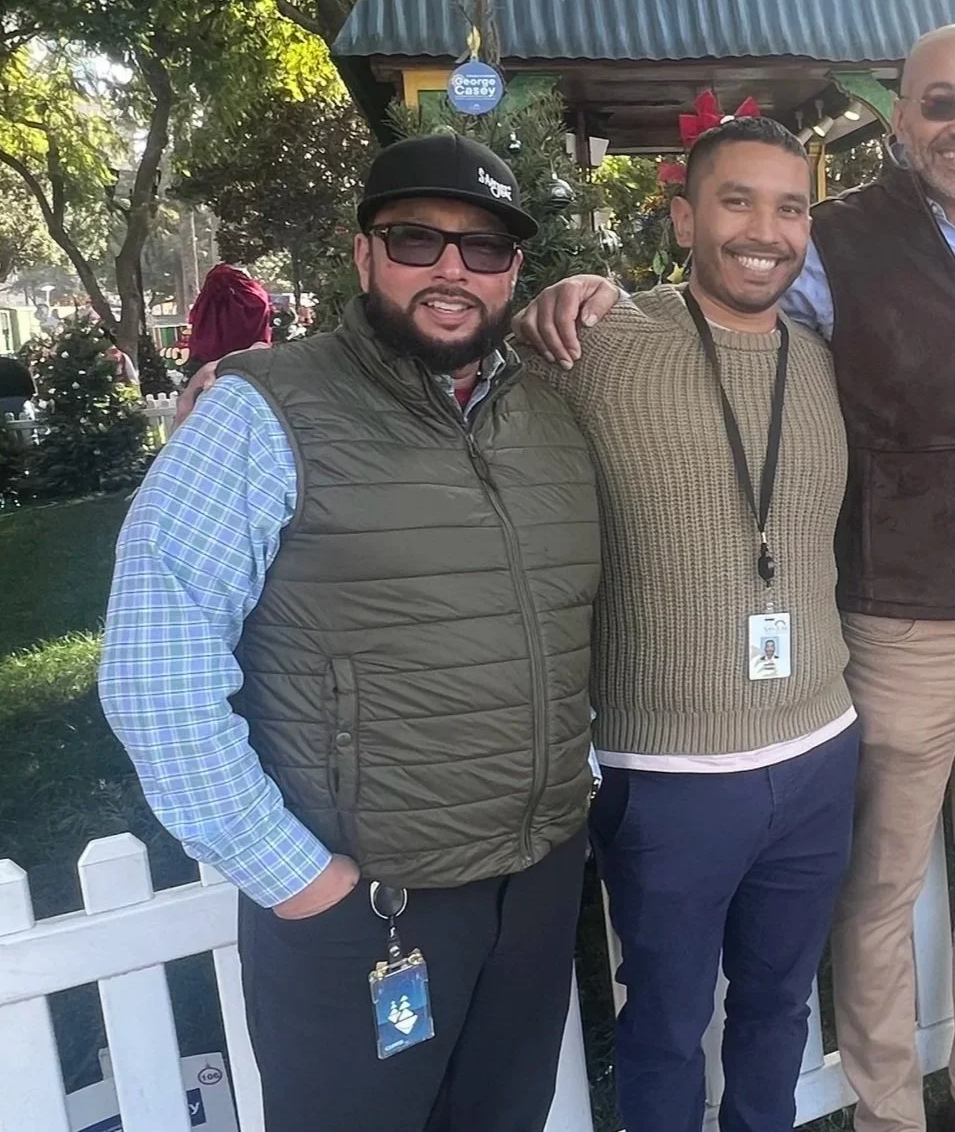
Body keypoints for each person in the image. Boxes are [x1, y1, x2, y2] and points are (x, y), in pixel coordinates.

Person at [520, 23, 955, 1132]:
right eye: (942, 105)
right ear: (900, 117)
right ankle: (886, 1111)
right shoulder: (837, 240)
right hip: (900, 617)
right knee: (877, 892)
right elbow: (725, 305)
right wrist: (582, 292)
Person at [99, 132, 601, 1132]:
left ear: (516, 273)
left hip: (534, 880)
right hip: (367, 901)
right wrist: (297, 879)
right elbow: (155, 666)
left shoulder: (549, 412)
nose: (454, 266)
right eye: (418, 238)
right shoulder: (264, 411)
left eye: (487, 247)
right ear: (363, 252)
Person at [531, 116, 857, 1132]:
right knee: (666, 1023)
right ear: (682, 215)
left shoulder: (827, 361)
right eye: (736, 200)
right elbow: (444, 368)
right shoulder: (598, 341)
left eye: (789, 206)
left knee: (778, 1003)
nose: (765, 228)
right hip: (667, 773)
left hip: (818, 752)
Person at [182, 262, 275, 379]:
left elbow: (199, 313)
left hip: (214, 359)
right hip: (250, 361)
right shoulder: (250, 290)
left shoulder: (218, 282)